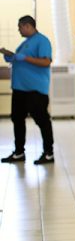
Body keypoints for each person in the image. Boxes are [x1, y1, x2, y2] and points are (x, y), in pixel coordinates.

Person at [0, 15, 54, 165]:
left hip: (35, 90)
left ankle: (49, 153)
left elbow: (46, 61)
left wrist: (24, 58)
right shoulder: (26, 43)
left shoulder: (42, 41)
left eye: (20, 27)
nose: (19, 30)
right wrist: (12, 57)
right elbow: (20, 58)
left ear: (28, 26)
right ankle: (19, 152)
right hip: (20, 90)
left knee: (42, 120)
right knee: (17, 119)